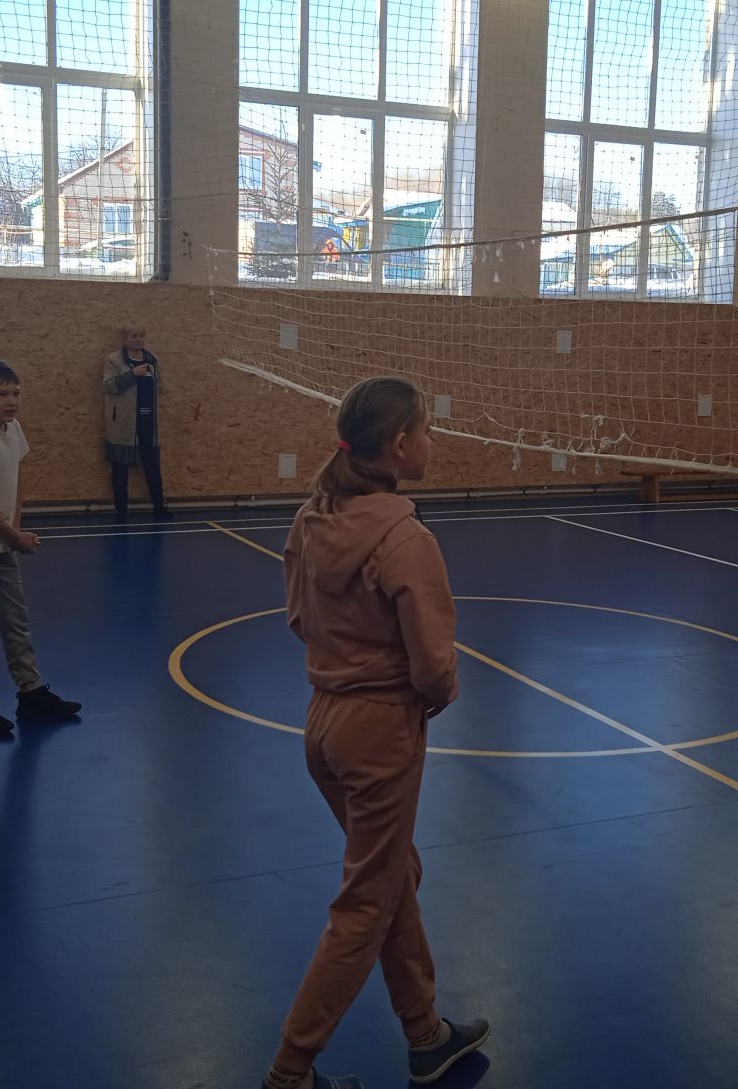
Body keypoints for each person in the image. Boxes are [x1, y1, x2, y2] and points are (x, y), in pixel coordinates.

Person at [263, 376, 489, 1089]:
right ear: (399, 445)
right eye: (427, 429)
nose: (432, 441)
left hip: (322, 725)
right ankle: (291, 1070)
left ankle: (425, 1033)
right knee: (367, 901)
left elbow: (298, 618)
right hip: (379, 733)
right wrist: (435, 693)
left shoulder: (312, 518)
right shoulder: (405, 538)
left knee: (394, 875)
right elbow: (434, 667)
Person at [0, 359, 81, 737]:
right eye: (1, 394)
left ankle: (31, 692)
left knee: (15, 619)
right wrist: (13, 537)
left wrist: (14, 530)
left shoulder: (13, 429)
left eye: (16, 393)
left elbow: (17, 479)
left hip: (1, 541)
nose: (11, 401)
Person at [102, 322, 171, 521]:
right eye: (133, 336)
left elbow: (159, 385)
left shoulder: (152, 360)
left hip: (148, 423)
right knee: (120, 469)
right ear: (125, 339)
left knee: (152, 467)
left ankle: (159, 508)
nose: (138, 340)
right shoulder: (114, 360)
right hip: (123, 425)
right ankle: (121, 512)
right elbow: (108, 386)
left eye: (141, 336)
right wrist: (132, 375)